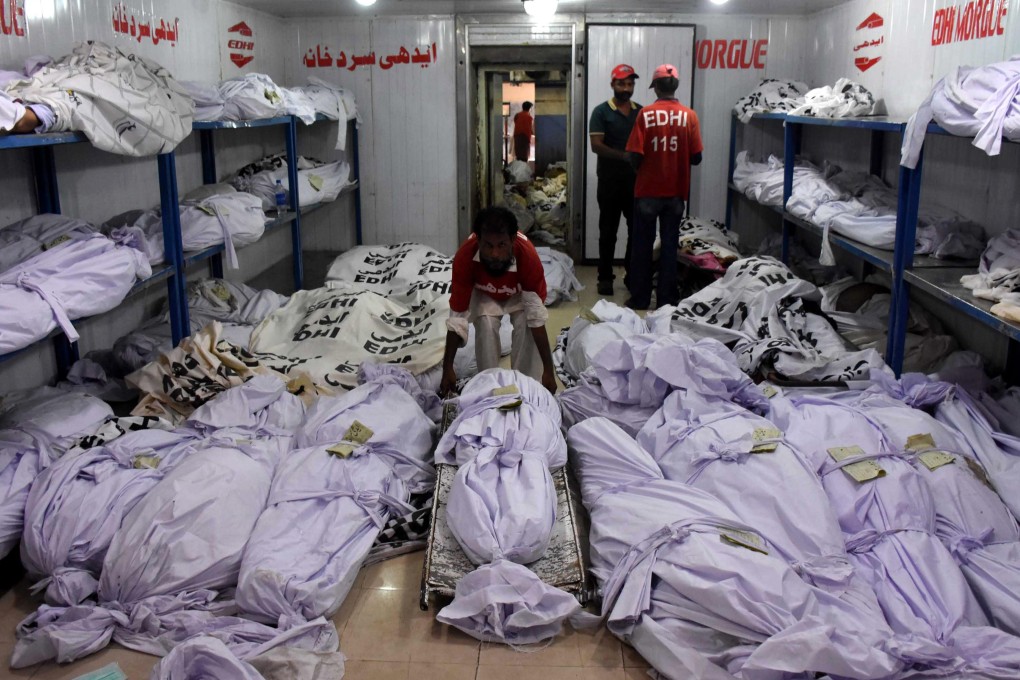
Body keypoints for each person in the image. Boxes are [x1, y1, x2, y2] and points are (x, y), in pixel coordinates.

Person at [440, 206, 557, 395]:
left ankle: (526, 387)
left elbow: (536, 319)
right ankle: (489, 386)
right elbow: (457, 318)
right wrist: (448, 369)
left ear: (513, 240)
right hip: (484, 294)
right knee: (485, 325)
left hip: (519, 295)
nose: (494, 254)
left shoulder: (528, 258)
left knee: (526, 325)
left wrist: (548, 371)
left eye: (501, 245)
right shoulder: (465, 257)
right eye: (488, 245)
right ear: (478, 241)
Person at [624, 63, 703, 310]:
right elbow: (697, 157)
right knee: (670, 247)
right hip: (676, 193)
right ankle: (667, 300)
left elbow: (634, 155)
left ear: (656, 87)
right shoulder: (689, 116)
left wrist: (645, 170)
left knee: (642, 247)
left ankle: (640, 298)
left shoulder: (645, 115)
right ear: (675, 86)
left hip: (647, 192)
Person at [589, 64, 642, 296]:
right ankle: (604, 278)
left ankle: (632, 275)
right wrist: (625, 156)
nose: (626, 88)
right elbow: (596, 145)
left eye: (630, 84)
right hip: (609, 182)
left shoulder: (641, 112)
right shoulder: (601, 112)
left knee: (636, 231)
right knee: (608, 232)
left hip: (636, 182)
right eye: (621, 83)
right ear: (613, 84)